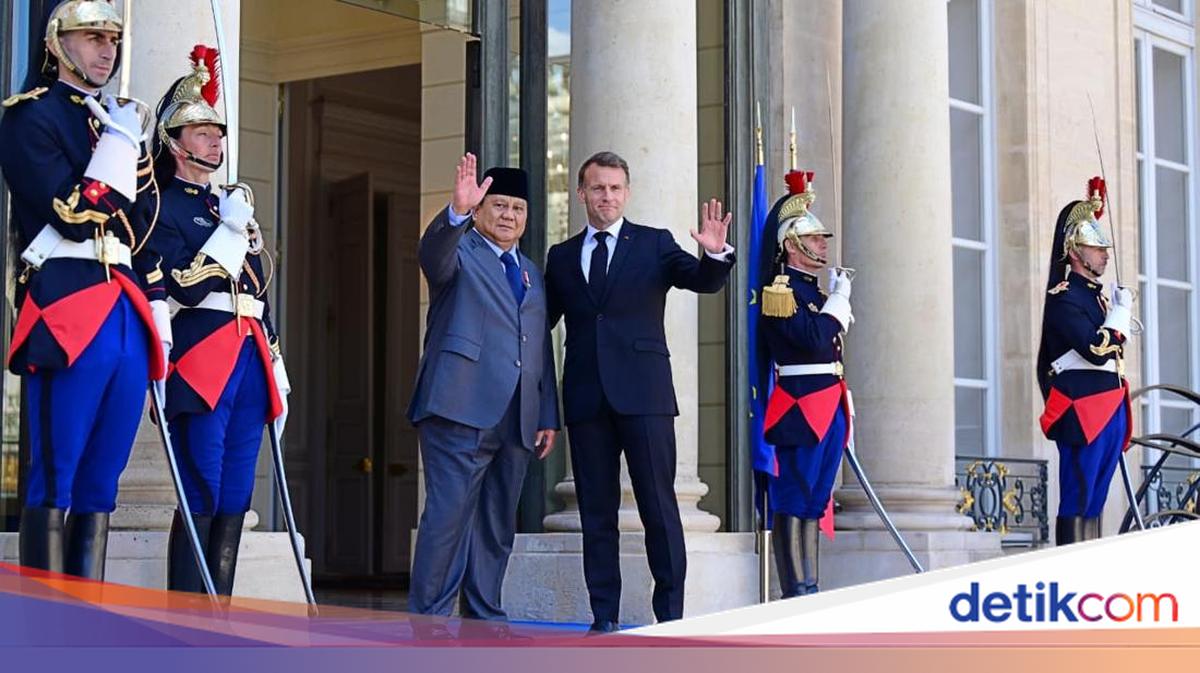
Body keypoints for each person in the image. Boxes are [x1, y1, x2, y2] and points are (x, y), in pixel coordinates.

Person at [0, 0, 167, 580]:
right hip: (68, 304)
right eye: (91, 37)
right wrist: (120, 145)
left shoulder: (112, 120)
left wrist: (128, 143)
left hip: (123, 306)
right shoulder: (31, 116)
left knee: (102, 483)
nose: (106, 50)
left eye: (112, 40)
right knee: (56, 475)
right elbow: (71, 213)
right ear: (56, 44)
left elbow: (144, 221)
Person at [543, 150, 734, 630]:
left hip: (645, 397)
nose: (606, 196)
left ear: (626, 193)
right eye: (597, 187)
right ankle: (603, 616)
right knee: (596, 514)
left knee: (658, 507)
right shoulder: (562, 257)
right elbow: (540, 322)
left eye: (615, 188)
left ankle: (670, 617)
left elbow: (702, 282)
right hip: (587, 400)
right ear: (581, 193)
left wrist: (713, 254)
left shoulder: (652, 244)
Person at [149, 45, 290, 595]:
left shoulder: (223, 206)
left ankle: (217, 618)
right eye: (202, 132)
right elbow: (180, 282)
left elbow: (257, 288)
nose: (216, 141)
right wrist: (228, 238)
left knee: (237, 494)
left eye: (217, 133)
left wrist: (274, 354)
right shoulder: (162, 204)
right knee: (202, 488)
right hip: (201, 359)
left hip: (249, 356)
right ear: (175, 142)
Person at [407, 154, 559, 625]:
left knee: (496, 526)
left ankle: (484, 615)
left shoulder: (532, 272)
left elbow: (539, 347)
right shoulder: (459, 254)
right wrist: (454, 213)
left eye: (517, 208)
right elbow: (432, 255)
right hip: (458, 405)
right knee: (448, 519)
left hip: (517, 416)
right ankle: (429, 620)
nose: (508, 215)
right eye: (498, 206)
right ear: (479, 209)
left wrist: (547, 414)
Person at [755, 170, 852, 596]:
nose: (822, 245)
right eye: (814, 240)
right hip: (800, 404)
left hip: (828, 402)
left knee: (816, 499)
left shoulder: (813, 291)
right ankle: (794, 589)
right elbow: (812, 339)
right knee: (794, 497)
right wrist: (839, 301)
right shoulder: (782, 291)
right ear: (792, 245)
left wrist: (831, 300)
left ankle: (811, 584)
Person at [1036, 177, 1133, 545]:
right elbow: (1095, 348)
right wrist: (1120, 318)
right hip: (1082, 410)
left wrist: (1116, 312)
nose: (1105, 254)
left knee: (1097, 500)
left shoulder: (1097, 299)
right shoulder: (1064, 298)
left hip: (1108, 405)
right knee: (1078, 496)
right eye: (1097, 248)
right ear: (1076, 252)